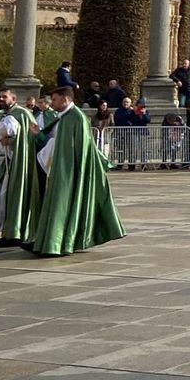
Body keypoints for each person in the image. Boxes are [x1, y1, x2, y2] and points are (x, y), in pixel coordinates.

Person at [25, 86, 125, 257]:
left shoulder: (76, 117)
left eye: (55, 100)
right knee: (54, 204)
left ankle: (55, 244)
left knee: (60, 205)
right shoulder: (63, 117)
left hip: (69, 172)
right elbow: (55, 139)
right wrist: (39, 134)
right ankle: (46, 241)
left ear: (65, 100)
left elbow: (81, 147)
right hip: (59, 169)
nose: (52, 103)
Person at [0, 88, 38, 247]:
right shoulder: (0, 114)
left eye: (5, 96)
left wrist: (10, 141)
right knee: (2, 197)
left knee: (10, 196)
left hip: (14, 162)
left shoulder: (22, 114)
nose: (1, 99)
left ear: (14, 98)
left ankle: (15, 233)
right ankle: (6, 231)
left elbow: (28, 137)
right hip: (0, 160)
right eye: (0, 96)